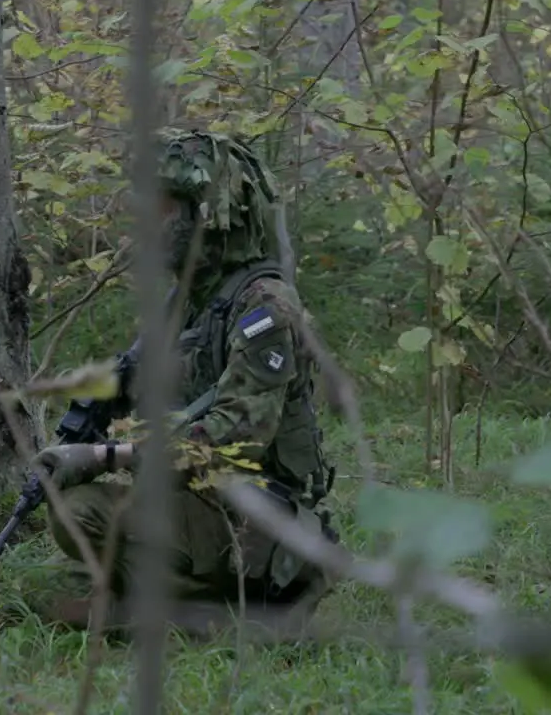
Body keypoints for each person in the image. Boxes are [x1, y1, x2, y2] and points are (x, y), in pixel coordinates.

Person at [30, 127, 337, 630]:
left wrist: (106, 456)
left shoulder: (265, 306)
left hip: (256, 516)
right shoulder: (190, 302)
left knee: (79, 515)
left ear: (207, 217)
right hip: (202, 501)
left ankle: (231, 608)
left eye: (165, 211)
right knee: (66, 537)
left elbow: (236, 436)